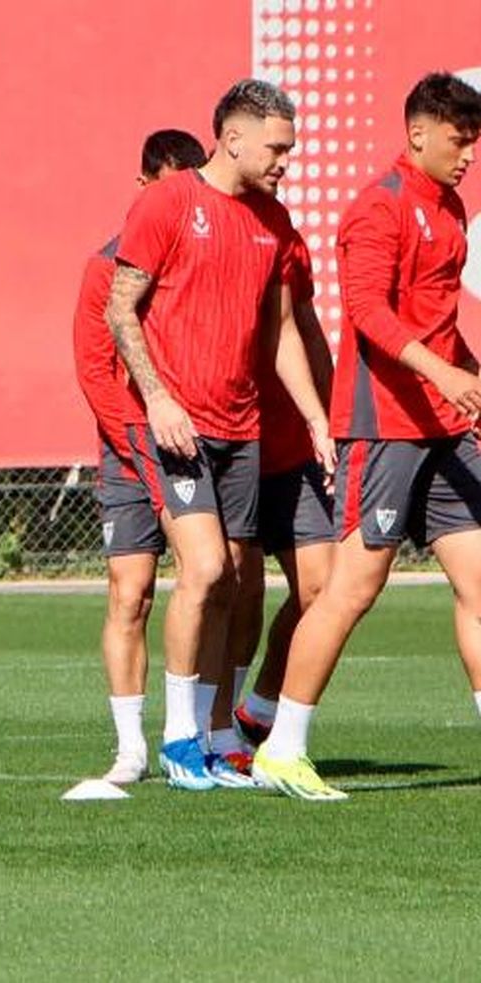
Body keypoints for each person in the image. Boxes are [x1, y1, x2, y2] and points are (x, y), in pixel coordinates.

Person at [255, 73, 481, 800]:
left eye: (474, 144)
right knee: (352, 588)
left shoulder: (449, 208)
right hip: (383, 426)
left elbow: (439, 324)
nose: (469, 156)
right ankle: (281, 748)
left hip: (444, 427)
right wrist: (441, 374)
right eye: (460, 141)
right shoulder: (377, 208)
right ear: (418, 133)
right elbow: (369, 314)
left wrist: (468, 375)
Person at [105, 79, 333, 790]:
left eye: (290, 150)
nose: (285, 162)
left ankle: (211, 733)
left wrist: (317, 418)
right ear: (232, 139)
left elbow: (283, 332)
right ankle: (178, 739)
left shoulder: (273, 221)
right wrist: (158, 398)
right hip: (177, 425)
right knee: (203, 570)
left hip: (244, 427)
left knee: (233, 582)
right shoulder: (168, 203)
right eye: (276, 148)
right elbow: (120, 307)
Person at [71, 128, 206, 785]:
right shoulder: (107, 266)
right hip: (134, 448)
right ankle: (131, 748)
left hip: (189, 444)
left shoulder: (199, 258)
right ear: (144, 185)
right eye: (166, 187)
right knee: (131, 593)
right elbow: (95, 372)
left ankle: (204, 730)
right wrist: (139, 442)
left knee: (210, 577)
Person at [222, 226, 336, 763]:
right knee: (239, 593)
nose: (278, 181)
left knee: (323, 588)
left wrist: (328, 419)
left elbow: (304, 329)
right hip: (230, 441)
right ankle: (215, 728)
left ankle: (261, 709)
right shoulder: (202, 227)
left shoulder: (284, 238)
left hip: (291, 448)